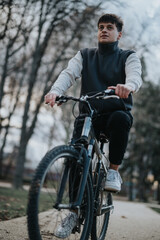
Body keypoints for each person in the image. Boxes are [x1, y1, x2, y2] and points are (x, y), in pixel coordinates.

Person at [45, 13, 142, 238]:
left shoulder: (128, 56)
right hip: (88, 115)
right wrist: (55, 91)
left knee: (122, 119)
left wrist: (128, 86)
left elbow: (135, 76)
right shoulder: (85, 55)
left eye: (109, 27)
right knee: (76, 157)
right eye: (101, 27)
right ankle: (73, 210)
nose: (104, 30)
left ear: (119, 33)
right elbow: (68, 74)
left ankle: (113, 172)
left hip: (113, 114)